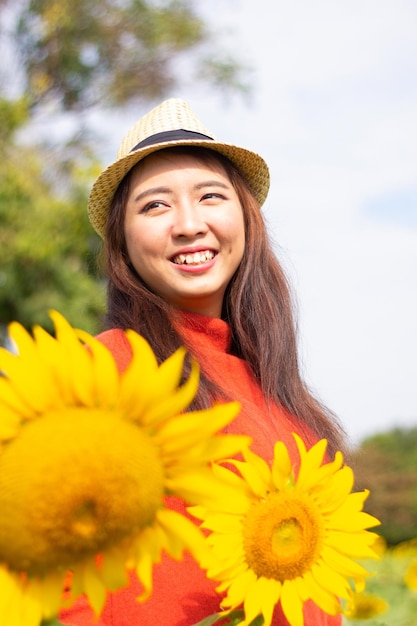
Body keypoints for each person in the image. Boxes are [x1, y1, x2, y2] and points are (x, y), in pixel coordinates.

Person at [60, 98, 347, 626]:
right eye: (155, 206)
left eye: (210, 196)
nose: (189, 224)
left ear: (245, 217)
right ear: (122, 241)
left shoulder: (285, 400)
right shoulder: (106, 371)